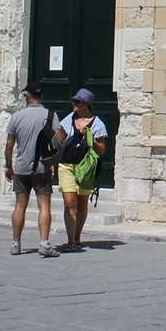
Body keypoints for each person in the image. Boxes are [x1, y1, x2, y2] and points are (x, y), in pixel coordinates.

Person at [4, 84, 58, 257]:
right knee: (44, 205)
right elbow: (57, 143)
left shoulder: (17, 117)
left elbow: (9, 145)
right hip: (42, 167)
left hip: (21, 168)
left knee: (20, 205)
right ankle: (44, 242)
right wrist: (54, 164)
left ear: (27, 96)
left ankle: (16, 243)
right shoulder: (50, 115)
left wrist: (8, 166)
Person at [55, 88, 108, 252]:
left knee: (82, 202)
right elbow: (58, 140)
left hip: (86, 168)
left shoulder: (97, 124)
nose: (74, 104)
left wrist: (89, 135)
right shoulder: (68, 119)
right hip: (67, 166)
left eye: (77, 102)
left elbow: (101, 150)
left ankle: (77, 237)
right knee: (69, 202)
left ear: (85, 104)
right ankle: (71, 240)